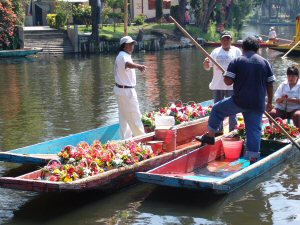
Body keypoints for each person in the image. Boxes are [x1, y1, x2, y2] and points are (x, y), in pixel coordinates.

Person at [197, 37, 275, 163]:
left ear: (243, 48)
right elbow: (270, 84)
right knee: (254, 130)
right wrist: (270, 102)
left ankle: (210, 136)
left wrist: (226, 75)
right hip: (257, 104)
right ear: (257, 48)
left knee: (217, 109)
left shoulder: (237, 61)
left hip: (239, 101)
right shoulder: (265, 63)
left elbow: (228, 82)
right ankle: (254, 158)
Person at [203, 31, 242, 134]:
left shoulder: (237, 51)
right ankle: (218, 130)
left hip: (232, 85)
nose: (225, 41)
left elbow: (241, 67)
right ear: (220, 40)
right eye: (223, 39)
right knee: (217, 109)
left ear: (231, 40)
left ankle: (233, 130)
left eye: (227, 39)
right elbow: (207, 67)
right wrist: (206, 63)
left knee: (233, 110)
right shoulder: (215, 52)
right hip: (217, 85)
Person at [114, 36, 147, 139]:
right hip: (126, 91)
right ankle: (142, 139)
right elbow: (127, 64)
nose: (132, 46)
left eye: (133, 44)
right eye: (130, 44)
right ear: (124, 46)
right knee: (134, 115)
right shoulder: (123, 55)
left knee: (124, 117)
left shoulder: (123, 55)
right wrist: (139, 66)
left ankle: (126, 140)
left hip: (121, 90)